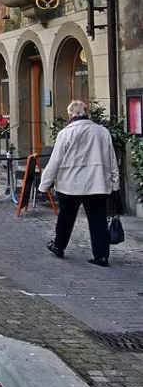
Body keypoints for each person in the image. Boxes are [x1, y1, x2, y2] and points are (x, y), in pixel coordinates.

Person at [40, 100, 120, 267]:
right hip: (97, 184)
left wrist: (44, 184)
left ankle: (59, 246)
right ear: (86, 113)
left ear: (70, 115)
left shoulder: (65, 134)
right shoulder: (102, 132)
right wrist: (115, 184)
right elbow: (112, 159)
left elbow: (55, 161)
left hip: (70, 185)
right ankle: (102, 256)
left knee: (66, 218)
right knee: (98, 219)